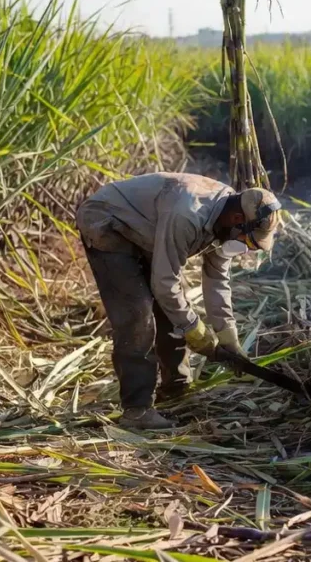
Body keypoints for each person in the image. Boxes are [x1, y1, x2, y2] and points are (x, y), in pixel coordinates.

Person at [75, 172, 281, 430]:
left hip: (147, 230)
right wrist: (195, 331)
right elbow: (164, 283)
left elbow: (217, 279)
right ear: (238, 220)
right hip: (108, 223)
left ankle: (176, 386)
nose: (246, 249)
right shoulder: (188, 215)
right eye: (248, 243)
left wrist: (228, 337)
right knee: (138, 314)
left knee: (172, 307)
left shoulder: (227, 219)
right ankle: (137, 411)